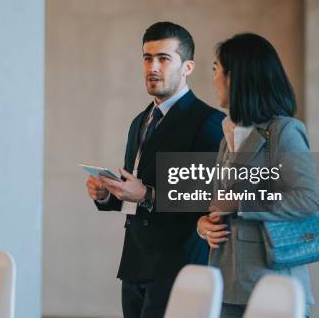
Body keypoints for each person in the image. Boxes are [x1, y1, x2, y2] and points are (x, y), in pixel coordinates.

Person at [85, 22, 224, 318]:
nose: (153, 67)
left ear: (187, 67)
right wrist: (106, 194)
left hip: (177, 267)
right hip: (134, 265)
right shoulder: (140, 121)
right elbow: (133, 190)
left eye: (164, 58)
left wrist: (147, 194)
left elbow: (204, 196)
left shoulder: (207, 121)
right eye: (147, 58)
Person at [197, 33, 319, 318]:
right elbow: (220, 202)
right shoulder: (227, 133)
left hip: (274, 289)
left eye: (216, 69)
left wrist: (241, 205)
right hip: (226, 285)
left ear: (235, 77)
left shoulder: (285, 131)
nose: (213, 78)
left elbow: (308, 200)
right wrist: (204, 224)